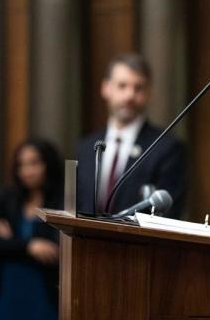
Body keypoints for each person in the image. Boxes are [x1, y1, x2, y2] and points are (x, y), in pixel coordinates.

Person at [76, 53, 187, 218]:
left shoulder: (166, 148)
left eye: (138, 88)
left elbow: (168, 213)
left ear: (149, 93)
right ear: (106, 88)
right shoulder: (86, 147)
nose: (130, 96)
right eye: (122, 86)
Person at [0, 138, 63, 320]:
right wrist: (28, 246)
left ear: (48, 164)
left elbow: (53, 251)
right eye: (22, 165)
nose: (27, 171)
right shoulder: (7, 198)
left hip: (45, 292)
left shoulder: (62, 201)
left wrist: (9, 242)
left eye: (34, 163)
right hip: (4, 290)